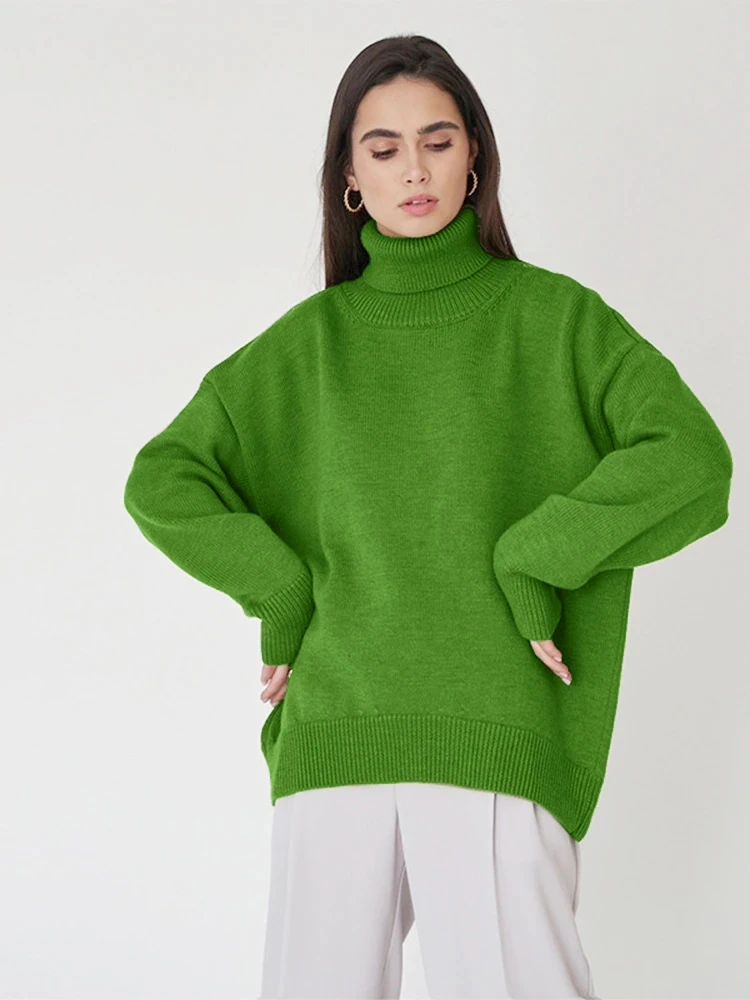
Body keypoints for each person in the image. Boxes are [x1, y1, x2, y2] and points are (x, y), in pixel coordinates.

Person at [123, 34, 733, 1000]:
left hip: (497, 727)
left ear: (475, 156)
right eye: (384, 147)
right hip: (336, 732)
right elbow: (163, 478)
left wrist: (538, 555)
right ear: (349, 177)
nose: (414, 168)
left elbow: (693, 462)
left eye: (438, 142)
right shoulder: (307, 347)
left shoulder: (556, 321)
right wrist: (279, 589)